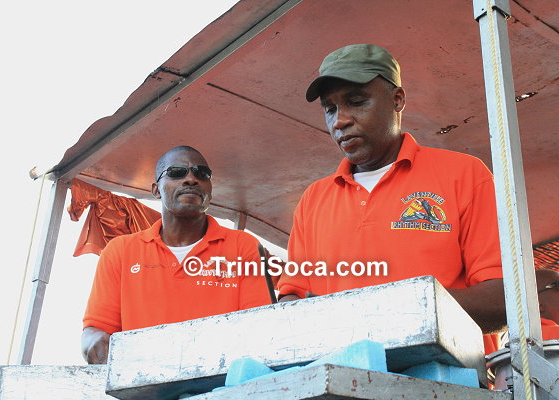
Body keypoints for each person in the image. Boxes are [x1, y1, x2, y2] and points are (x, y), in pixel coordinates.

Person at [277, 44, 559, 349]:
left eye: (356, 102)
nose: (340, 121)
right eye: (330, 109)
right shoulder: (313, 200)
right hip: (336, 372)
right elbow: (291, 302)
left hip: (447, 373)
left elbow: (503, 300)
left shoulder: (465, 175)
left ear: (397, 99)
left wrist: (386, 312)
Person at [81, 145, 272, 364]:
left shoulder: (243, 246)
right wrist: (96, 346)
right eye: (176, 172)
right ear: (156, 190)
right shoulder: (120, 251)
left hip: (221, 378)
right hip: (142, 379)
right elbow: (95, 330)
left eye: (202, 173)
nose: (191, 179)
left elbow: (258, 326)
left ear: (210, 188)